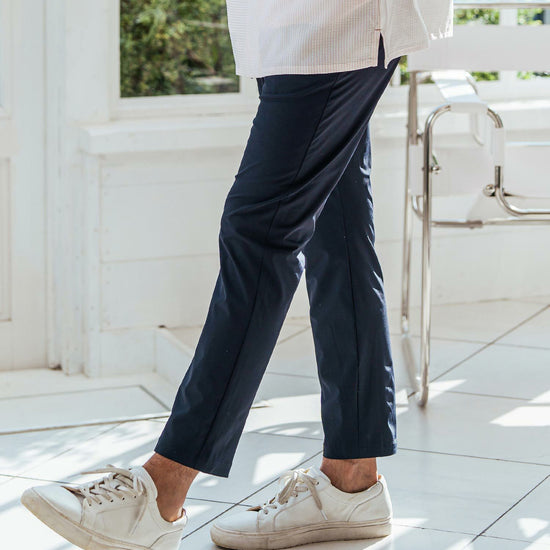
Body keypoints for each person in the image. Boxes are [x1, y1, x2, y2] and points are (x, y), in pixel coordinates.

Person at [20, 1, 453, 549]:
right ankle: (352, 481)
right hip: (300, 29)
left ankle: (161, 492)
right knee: (338, 235)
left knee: (261, 232)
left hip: (333, 25)